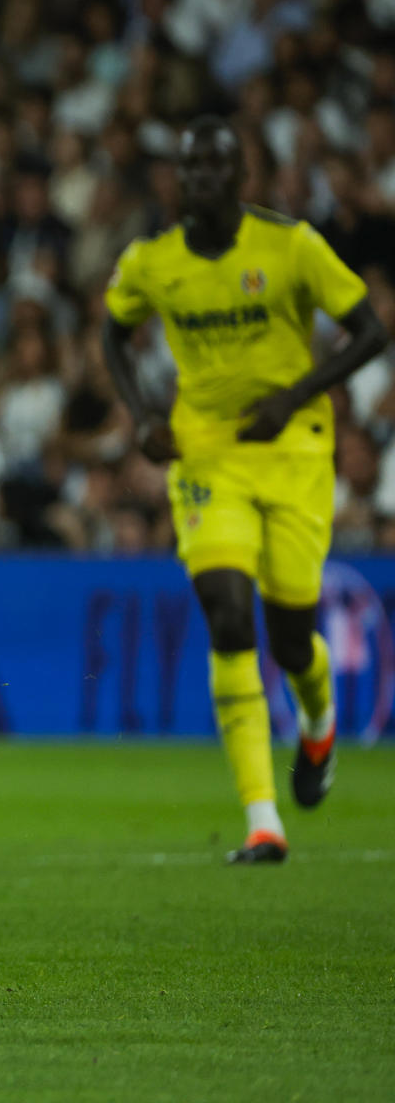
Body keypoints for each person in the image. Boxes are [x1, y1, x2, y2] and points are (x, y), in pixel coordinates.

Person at [101, 116, 387, 864]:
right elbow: (111, 330)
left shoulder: (291, 247)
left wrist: (294, 397)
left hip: (294, 450)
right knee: (229, 617)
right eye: (188, 169)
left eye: (213, 169)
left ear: (240, 179)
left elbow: (369, 331)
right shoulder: (153, 262)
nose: (197, 181)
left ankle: (319, 722)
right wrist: (140, 419)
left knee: (292, 639)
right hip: (206, 458)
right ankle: (263, 820)